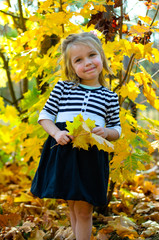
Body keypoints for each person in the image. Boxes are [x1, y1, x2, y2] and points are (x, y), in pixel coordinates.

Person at [31, 32, 121, 240]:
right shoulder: (63, 88)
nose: (87, 62)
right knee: (72, 206)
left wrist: (106, 132)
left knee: (83, 210)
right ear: (71, 67)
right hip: (64, 151)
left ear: (101, 57)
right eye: (78, 60)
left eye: (92, 55)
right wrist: (56, 133)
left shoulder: (109, 96)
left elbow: (116, 128)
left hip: (90, 155)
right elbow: (44, 116)